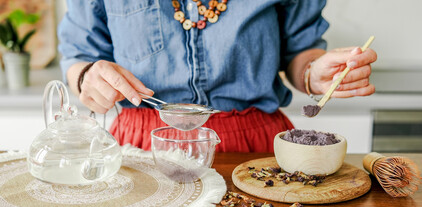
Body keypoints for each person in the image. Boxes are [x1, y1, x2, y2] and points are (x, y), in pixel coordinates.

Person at [58, 0, 377, 152]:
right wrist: (86, 76)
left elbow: (300, 51)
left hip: (256, 145)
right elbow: (78, 56)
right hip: (140, 147)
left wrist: (312, 72)